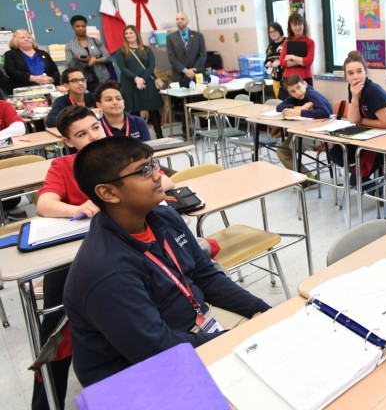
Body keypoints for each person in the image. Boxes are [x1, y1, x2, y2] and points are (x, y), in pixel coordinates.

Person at [64, 136, 271, 387]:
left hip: (194, 326)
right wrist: (238, 337)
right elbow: (157, 349)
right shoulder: (107, 272)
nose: (157, 175)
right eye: (143, 171)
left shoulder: (163, 216)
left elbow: (207, 277)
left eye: (154, 164)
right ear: (108, 192)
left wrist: (265, 312)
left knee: (280, 348)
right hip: (137, 372)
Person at [31, 106, 174, 408]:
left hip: (128, 250)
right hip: (79, 257)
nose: (92, 136)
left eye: (94, 128)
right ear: (69, 141)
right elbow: (44, 203)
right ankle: (46, 401)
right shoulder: (62, 165)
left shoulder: (121, 156)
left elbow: (165, 180)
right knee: (56, 330)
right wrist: (78, 208)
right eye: (81, 134)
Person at [328, 51, 386, 186]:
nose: (356, 77)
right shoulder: (353, 89)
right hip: (369, 136)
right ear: (345, 77)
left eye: (359, 71)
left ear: (366, 72)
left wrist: (361, 121)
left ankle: (376, 188)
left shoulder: (373, 92)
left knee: (356, 181)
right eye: (350, 73)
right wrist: (355, 97)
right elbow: (353, 119)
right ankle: (363, 174)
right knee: (336, 153)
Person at [275, 74, 332, 180]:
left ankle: (306, 179)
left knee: (285, 149)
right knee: (282, 151)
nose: (297, 92)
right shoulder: (295, 97)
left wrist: (300, 112)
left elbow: (325, 112)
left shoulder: (311, 95)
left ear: (304, 84)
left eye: (298, 87)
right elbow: (279, 107)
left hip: (321, 134)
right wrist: (298, 107)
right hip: (304, 131)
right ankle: (307, 178)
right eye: (292, 91)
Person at [113, 25, 164, 138]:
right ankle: (137, 137)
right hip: (130, 83)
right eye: (126, 33)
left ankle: (159, 135)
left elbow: (151, 67)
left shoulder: (147, 50)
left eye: (131, 33)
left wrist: (142, 79)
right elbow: (123, 68)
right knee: (134, 111)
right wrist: (136, 79)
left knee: (153, 109)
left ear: (136, 34)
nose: (129, 35)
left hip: (147, 83)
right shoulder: (121, 51)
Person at [3, 29, 61, 94]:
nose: (26, 39)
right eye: (22, 37)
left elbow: (55, 71)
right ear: (15, 40)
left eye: (29, 37)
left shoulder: (43, 54)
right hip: (23, 91)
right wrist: (33, 78)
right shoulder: (10, 54)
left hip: (47, 90)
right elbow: (11, 71)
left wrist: (51, 79)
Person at [64, 15, 112, 93]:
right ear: (73, 28)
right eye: (78, 26)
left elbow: (107, 57)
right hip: (84, 80)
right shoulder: (69, 45)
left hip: (103, 78)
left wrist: (94, 60)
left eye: (83, 26)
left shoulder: (95, 40)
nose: (81, 28)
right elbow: (70, 64)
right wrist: (85, 64)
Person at [166, 12, 207, 87]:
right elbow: (172, 58)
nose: (179, 21)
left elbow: (203, 55)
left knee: (199, 98)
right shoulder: (170, 38)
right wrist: (185, 71)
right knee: (181, 98)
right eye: (177, 19)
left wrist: (193, 70)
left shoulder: (198, 36)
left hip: (196, 75)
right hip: (180, 76)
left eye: (182, 19)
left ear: (188, 21)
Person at [279, 12, 315, 86]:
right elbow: (282, 62)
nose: (297, 27)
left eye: (300, 24)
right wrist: (301, 62)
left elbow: (309, 62)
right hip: (288, 78)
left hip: (305, 77)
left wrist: (292, 57)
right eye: (294, 25)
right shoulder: (287, 41)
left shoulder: (310, 42)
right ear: (290, 27)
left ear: (303, 25)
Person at [264, 22, 286, 99]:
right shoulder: (270, 45)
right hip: (275, 79)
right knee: (279, 102)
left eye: (275, 31)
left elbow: (291, 58)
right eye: (270, 32)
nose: (272, 34)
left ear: (280, 31)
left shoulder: (287, 42)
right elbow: (266, 60)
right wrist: (268, 63)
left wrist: (280, 62)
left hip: (287, 79)